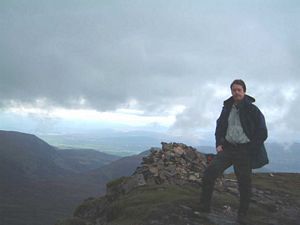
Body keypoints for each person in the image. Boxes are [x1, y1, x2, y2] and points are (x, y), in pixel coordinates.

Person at [200, 79, 268, 224]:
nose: (236, 92)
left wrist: (251, 149)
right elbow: (220, 126)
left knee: (244, 183)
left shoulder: (253, 109)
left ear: (244, 91)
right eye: (234, 90)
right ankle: (204, 208)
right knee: (209, 174)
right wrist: (219, 143)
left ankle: (242, 215)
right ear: (231, 91)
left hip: (245, 151)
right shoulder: (227, 107)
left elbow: (262, 132)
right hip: (228, 148)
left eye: (239, 90)